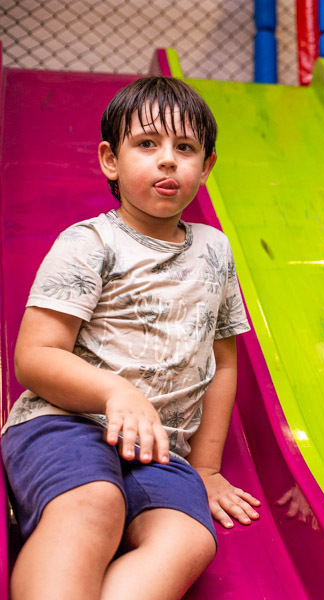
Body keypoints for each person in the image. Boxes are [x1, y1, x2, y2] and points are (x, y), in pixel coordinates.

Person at [1, 75, 261, 599]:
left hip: (160, 448)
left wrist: (207, 468)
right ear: (110, 160)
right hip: (67, 422)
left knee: (188, 538)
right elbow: (34, 356)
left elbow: (224, 361)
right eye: (147, 144)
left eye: (185, 148)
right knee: (95, 502)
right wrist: (116, 392)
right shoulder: (90, 243)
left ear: (206, 167)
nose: (168, 160)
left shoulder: (215, 250)